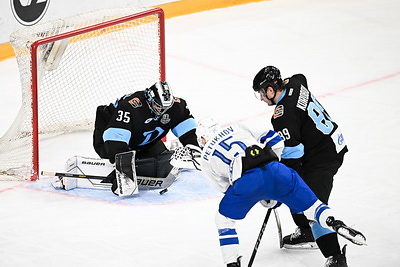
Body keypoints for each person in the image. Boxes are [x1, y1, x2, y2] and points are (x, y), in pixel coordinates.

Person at [194, 118, 365, 267]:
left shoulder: (205, 157)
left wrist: (262, 195)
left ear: (203, 138)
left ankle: (232, 263)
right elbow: (276, 140)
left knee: (223, 220)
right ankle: (334, 223)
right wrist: (273, 183)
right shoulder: (236, 127)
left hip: (246, 182)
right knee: (313, 205)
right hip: (276, 169)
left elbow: (226, 188)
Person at [252, 66, 349, 264]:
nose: (261, 98)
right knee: (295, 189)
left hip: (323, 157)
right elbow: (301, 77)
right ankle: (306, 232)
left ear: (271, 90)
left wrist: (283, 183)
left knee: (311, 205)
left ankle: (335, 258)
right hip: (331, 143)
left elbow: (294, 156)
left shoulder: (282, 116)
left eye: (261, 93)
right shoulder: (294, 83)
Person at [93, 81, 200, 195]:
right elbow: (116, 137)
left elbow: (188, 131)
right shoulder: (130, 106)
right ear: (149, 98)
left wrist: (194, 148)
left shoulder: (176, 106)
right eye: (158, 106)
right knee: (111, 153)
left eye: (165, 107)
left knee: (160, 159)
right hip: (108, 135)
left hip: (142, 139)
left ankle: (137, 156)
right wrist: (123, 172)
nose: (161, 110)